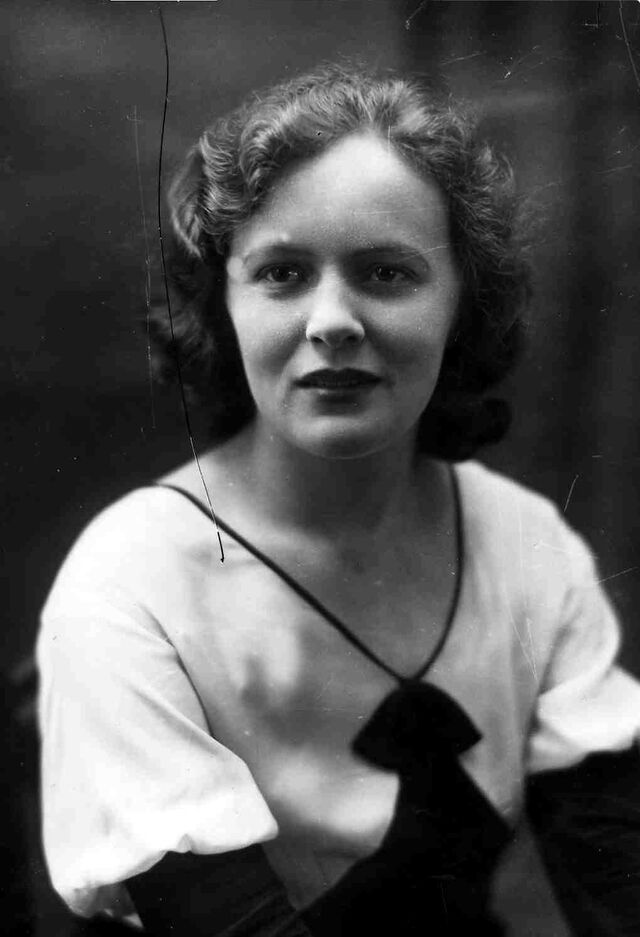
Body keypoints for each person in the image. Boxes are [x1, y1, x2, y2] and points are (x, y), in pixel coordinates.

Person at [37, 65, 640, 936]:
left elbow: (618, 873)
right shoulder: (130, 579)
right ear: (222, 304)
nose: (332, 321)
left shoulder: (522, 542)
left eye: (387, 272)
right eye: (282, 273)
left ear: (462, 303)